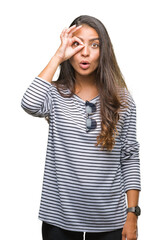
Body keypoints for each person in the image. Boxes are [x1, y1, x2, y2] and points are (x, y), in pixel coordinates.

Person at [21, 15, 141, 240]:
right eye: (77, 44)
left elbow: (130, 156)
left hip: (109, 220)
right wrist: (58, 55)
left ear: (104, 51)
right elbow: (29, 103)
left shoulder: (123, 100)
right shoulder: (54, 94)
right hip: (59, 219)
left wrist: (132, 214)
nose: (85, 52)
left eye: (94, 45)